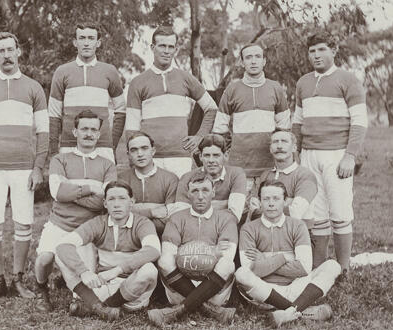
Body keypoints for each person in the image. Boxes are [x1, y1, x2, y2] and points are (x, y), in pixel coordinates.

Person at [0, 31, 49, 301]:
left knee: (23, 223)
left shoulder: (33, 87)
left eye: (10, 50)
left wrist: (38, 167)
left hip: (24, 168)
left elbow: (43, 132)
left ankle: (18, 280)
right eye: (0, 51)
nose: (6, 55)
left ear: (18, 51)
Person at [292, 31, 368, 274]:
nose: (316, 55)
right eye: (312, 51)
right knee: (317, 212)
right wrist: (296, 152)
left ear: (333, 51)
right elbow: (297, 120)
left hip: (336, 154)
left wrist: (350, 155)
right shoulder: (303, 82)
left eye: (322, 49)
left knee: (340, 212)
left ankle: (344, 268)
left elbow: (359, 121)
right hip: (308, 154)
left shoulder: (348, 79)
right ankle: (320, 267)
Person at [34, 110, 116, 311]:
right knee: (44, 258)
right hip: (59, 223)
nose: (89, 133)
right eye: (84, 129)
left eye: (93, 130)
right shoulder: (60, 160)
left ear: (99, 134)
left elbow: (105, 202)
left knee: (84, 279)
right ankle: (40, 289)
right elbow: (56, 192)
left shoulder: (107, 165)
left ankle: (75, 294)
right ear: (75, 131)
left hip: (87, 229)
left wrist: (70, 190)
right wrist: (91, 189)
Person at [235, 180, 341, 328]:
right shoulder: (248, 229)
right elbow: (252, 269)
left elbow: (303, 268)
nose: (271, 203)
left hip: (297, 287)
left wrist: (265, 260)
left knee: (333, 265)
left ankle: (287, 313)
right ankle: (301, 310)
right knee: (241, 273)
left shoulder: (298, 226)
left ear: (285, 201)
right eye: (266, 199)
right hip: (265, 293)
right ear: (259, 202)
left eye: (276, 198)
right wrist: (284, 257)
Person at [55, 181, 161, 321]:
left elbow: (153, 250)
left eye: (122, 198)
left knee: (149, 270)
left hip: (133, 289)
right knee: (60, 257)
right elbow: (63, 245)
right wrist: (84, 272)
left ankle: (96, 307)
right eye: (111, 199)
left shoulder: (142, 223)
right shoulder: (98, 223)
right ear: (105, 203)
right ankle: (101, 308)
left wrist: (117, 270)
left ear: (131, 202)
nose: (116, 204)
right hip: (104, 286)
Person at [126, 26, 219, 178]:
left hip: (180, 157)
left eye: (171, 47)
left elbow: (211, 108)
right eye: (162, 46)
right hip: (150, 157)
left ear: (175, 49)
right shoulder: (138, 82)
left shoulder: (185, 78)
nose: (166, 51)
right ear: (152, 47)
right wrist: (133, 158)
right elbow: (132, 127)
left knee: (180, 201)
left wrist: (199, 136)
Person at [148, 171, 238, 327]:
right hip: (180, 287)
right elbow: (169, 253)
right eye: (195, 191)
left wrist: (186, 251)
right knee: (164, 260)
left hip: (214, 290)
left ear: (213, 193)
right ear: (188, 194)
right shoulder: (176, 218)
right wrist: (212, 251)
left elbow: (227, 255)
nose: (200, 196)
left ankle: (175, 312)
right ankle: (212, 310)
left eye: (205, 190)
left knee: (227, 265)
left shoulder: (226, 218)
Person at [212, 43, 290, 194]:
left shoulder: (275, 88)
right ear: (242, 62)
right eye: (248, 57)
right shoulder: (232, 89)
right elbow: (219, 129)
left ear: (264, 61)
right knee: (239, 212)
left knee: (268, 210)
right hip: (240, 167)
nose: (253, 61)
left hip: (270, 166)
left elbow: (285, 129)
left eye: (257, 57)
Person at [48, 23, 126, 163]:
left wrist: (111, 143)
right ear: (75, 42)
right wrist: (54, 151)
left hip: (102, 147)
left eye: (91, 38)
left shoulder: (109, 71)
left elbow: (121, 110)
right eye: (82, 38)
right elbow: (54, 115)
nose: (86, 43)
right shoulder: (62, 71)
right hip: (69, 146)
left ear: (98, 43)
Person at [254, 129, 320, 265]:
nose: (279, 146)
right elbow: (253, 212)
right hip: (265, 234)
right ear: (270, 148)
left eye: (284, 141)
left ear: (294, 147)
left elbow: (296, 213)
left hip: (296, 237)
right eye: (275, 142)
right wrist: (287, 201)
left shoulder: (304, 175)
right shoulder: (265, 176)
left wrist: (266, 205)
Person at [118, 131, 179, 236]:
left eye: (144, 148)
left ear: (153, 151)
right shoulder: (121, 179)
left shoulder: (170, 179)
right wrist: (152, 212)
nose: (140, 154)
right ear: (128, 155)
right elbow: (118, 213)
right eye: (134, 150)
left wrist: (133, 210)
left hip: (162, 237)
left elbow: (170, 218)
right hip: (127, 238)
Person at [175, 134, 247, 222]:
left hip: (224, 230)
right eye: (207, 155)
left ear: (226, 155)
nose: (211, 161)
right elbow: (179, 217)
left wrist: (197, 207)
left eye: (216, 155)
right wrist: (223, 205)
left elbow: (234, 216)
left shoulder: (236, 174)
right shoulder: (187, 178)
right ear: (200, 156)